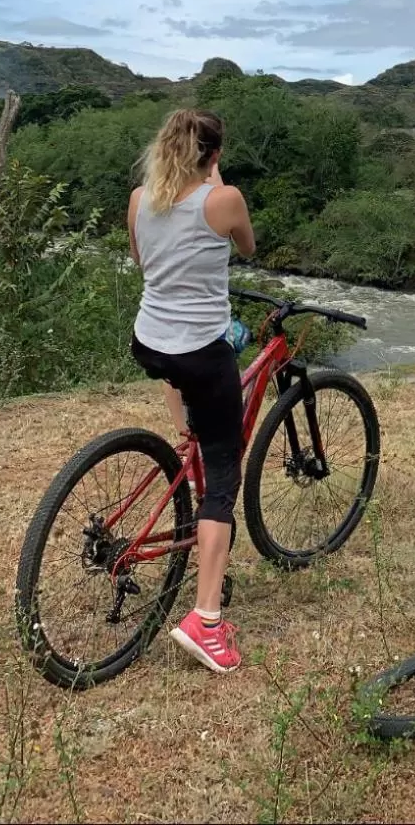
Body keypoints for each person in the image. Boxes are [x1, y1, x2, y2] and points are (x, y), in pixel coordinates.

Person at [127, 108, 255, 674]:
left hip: (149, 339)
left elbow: (145, 262)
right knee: (224, 476)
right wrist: (216, 183)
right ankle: (206, 620)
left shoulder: (139, 199)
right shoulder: (223, 200)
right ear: (214, 154)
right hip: (200, 351)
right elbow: (246, 249)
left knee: (182, 370)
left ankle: (185, 427)